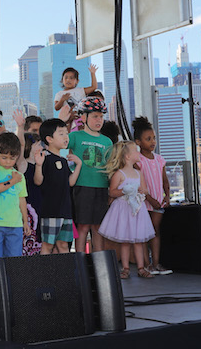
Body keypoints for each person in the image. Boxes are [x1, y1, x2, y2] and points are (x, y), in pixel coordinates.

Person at [98, 141, 156, 279]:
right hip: (124, 210)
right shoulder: (119, 174)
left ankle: (141, 268)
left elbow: (144, 189)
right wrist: (124, 191)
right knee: (125, 240)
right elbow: (112, 192)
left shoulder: (138, 173)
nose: (138, 153)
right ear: (128, 156)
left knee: (138, 241)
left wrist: (143, 190)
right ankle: (125, 268)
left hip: (136, 210)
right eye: (136, 151)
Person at [68, 97, 113, 253]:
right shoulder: (75, 137)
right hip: (82, 187)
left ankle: (100, 267)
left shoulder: (107, 141)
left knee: (98, 228)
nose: (99, 120)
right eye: (94, 116)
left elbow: (110, 166)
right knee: (82, 227)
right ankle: (80, 267)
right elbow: (58, 143)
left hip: (102, 188)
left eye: (101, 116)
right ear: (83, 117)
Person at [34, 119, 82, 255]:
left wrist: (79, 165)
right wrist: (38, 165)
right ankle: (44, 275)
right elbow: (38, 181)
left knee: (63, 245)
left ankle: (65, 275)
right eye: (61, 134)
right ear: (49, 139)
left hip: (65, 211)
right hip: (50, 211)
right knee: (47, 245)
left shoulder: (63, 160)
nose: (66, 137)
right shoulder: (45, 158)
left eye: (66, 133)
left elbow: (70, 182)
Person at [133, 117, 172, 275]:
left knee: (155, 232)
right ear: (138, 142)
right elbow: (137, 184)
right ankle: (146, 265)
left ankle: (156, 264)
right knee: (144, 233)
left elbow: (165, 182)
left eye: (154, 138)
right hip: (144, 202)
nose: (152, 142)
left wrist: (167, 196)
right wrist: (150, 200)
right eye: (148, 139)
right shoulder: (138, 161)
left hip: (158, 203)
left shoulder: (160, 160)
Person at [0, 132, 31, 261]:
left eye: (12, 158)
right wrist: (12, 181)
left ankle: (13, 281)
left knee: (14, 259)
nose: (8, 161)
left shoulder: (19, 176)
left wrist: (25, 221)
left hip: (15, 224)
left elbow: (22, 199)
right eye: (4, 157)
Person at [22, 132, 43, 256]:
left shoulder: (39, 164)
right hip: (29, 206)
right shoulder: (24, 164)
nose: (41, 146)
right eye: (38, 144)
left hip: (40, 205)